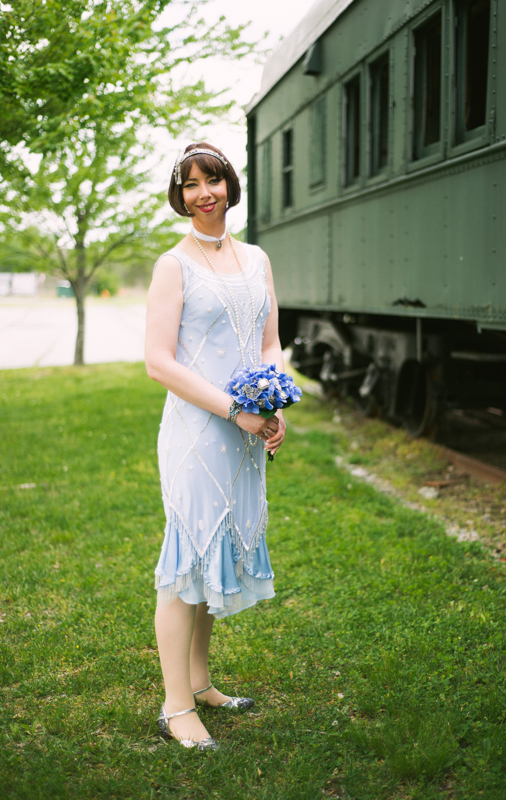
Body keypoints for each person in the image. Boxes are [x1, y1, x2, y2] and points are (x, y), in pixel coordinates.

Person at [145, 143, 286, 751]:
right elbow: (157, 362)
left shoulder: (256, 258)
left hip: (246, 436)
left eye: (214, 180)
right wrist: (236, 411)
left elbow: (269, 343)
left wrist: (272, 400)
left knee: (215, 555)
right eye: (191, 185)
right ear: (180, 197)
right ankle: (176, 707)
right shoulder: (172, 265)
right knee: (185, 565)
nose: (204, 193)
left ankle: (201, 684)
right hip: (199, 434)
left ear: (230, 186)